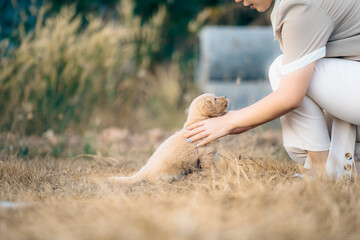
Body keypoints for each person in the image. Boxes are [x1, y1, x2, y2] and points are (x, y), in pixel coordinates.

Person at [184, 0, 360, 177]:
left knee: (283, 70)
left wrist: (230, 122)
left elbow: (290, 95)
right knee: (299, 148)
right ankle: (336, 164)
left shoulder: (299, 6)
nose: (237, 0)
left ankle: (324, 169)